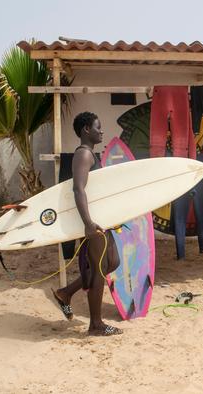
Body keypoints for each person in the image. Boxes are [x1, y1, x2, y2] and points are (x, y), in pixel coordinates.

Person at [52, 112, 122, 335]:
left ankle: (66, 292)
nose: (101, 131)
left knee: (112, 262)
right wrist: (88, 223)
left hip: (103, 220)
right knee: (99, 270)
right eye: (97, 127)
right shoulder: (83, 155)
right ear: (86, 130)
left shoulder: (91, 154)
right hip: (93, 222)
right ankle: (95, 324)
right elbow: (78, 189)